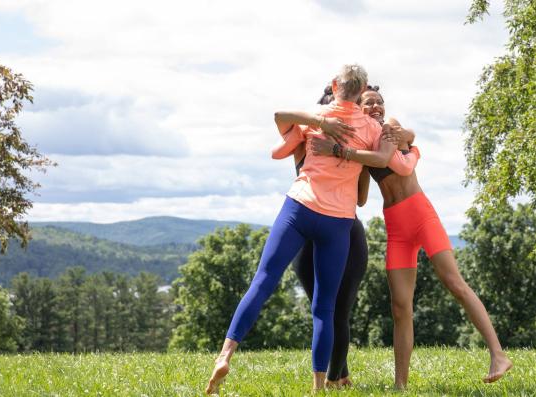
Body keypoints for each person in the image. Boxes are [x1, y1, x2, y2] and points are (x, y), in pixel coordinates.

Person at [205, 64, 397, 394]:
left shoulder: (317, 115)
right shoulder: (370, 127)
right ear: (363, 88)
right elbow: (382, 160)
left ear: (335, 85)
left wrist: (319, 122)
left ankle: (225, 355)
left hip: (300, 207)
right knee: (324, 308)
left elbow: (279, 117)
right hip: (338, 221)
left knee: (263, 281)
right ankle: (319, 387)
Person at [309, 86, 513, 388]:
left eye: (379, 101)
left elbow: (402, 145)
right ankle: (400, 385)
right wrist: (343, 173)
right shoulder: (365, 141)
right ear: (356, 107)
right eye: (368, 103)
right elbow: (363, 197)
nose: (376, 106)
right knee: (400, 307)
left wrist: (356, 151)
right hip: (395, 226)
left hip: (420, 215)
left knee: (454, 283)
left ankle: (498, 354)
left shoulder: (390, 129)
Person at [269, 86, 371, 388]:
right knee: (321, 309)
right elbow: (281, 126)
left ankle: (333, 378)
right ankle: (340, 375)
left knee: (339, 310)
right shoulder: (304, 140)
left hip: (344, 231)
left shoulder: (356, 146)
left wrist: (351, 159)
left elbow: (362, 199)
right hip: (306, 232)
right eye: (328, 109)